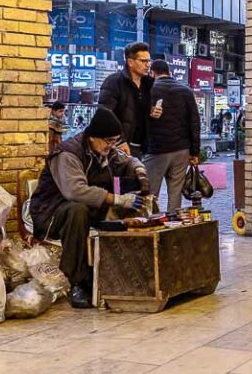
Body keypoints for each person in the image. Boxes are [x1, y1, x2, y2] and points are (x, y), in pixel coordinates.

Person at [29, 107, 150, 308]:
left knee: (130, 211)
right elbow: (75, 191)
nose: (112, 146)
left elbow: (128, 160)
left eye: (115, 141)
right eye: (108, 141)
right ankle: (77, 282)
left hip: (86, 208)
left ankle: (125, 272)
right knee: (78, 210)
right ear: (93, 137)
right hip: (52, 212)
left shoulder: (106, 150)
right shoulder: (67, 154)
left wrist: (139, 171)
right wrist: (115, 199)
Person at [145, 59, 201, 212]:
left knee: (150, 195)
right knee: (175, 193)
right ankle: (173, 226)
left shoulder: (149, 89)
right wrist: (194, 152)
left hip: (157, 150)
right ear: (169, 72)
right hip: (181, 150)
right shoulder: (185, 91)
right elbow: (195, 123)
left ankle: (153, 227)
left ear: (152, 73)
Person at [98, 42, 160, 158]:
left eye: (149, 61)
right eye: (143, 61)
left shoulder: (148, 84)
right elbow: (104, 114)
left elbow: (141, 113)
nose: (148, 65)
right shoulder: (114, 82)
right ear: (130, 62)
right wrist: (120, 141)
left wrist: (153, 113)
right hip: (120, 147)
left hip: (145, 148)